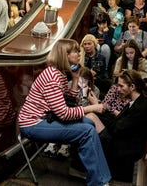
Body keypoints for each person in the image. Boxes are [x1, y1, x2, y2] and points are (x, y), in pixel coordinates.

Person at [18, 39, 111, 186]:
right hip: (33, 123)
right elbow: (64, 113)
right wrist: (92, 108)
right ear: (64, 55)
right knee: (86, 130)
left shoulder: (59, 73)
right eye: (75, 51)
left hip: (46, 119)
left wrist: (74, 79)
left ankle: (93, 173)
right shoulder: (52, 76)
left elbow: (69, 98)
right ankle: (98, 182)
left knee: (89, 122)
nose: (78, 53)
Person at [86, 69, 147, 182]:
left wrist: (99, 109)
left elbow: (118, 128)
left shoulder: (141, 107)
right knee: (92, 116)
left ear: (132, 87)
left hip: (124, 148)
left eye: (121, 86)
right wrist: (99, 107)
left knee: (91, 118)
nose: (118, 89)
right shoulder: (136, 102)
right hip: (121, 141)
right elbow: (118, 121)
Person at [44, 67, 101, 159]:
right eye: (80, 80)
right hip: (68, 112)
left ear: (89, 80)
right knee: (63, 118)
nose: (82, 83)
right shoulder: (70, 84)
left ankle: (65, 146)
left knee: (73, 122)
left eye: (85, 80)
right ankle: (53, 144)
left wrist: (86, 98)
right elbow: (63, 103)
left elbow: (94, 108)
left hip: (84, 114)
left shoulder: (95, 90)